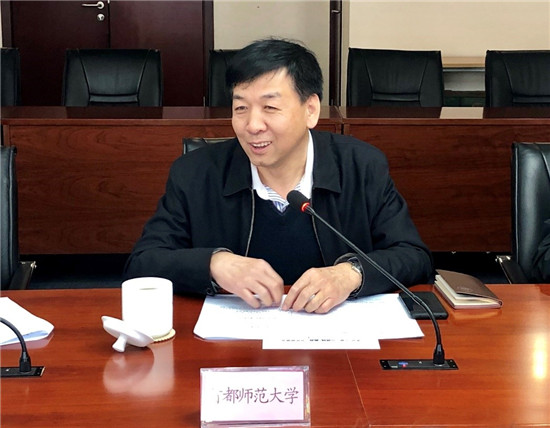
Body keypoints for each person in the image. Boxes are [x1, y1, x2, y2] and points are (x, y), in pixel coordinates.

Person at [124, 38, 433, 313]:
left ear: (310, 110)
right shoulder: (195, 173)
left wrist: (350, 274)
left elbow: (414, 257)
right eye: (241, 108)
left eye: (270, 107)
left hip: (337, 344)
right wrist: (215, 264)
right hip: (231, 345)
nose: (252, 125)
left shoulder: (360, 166)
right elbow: (142, 263)